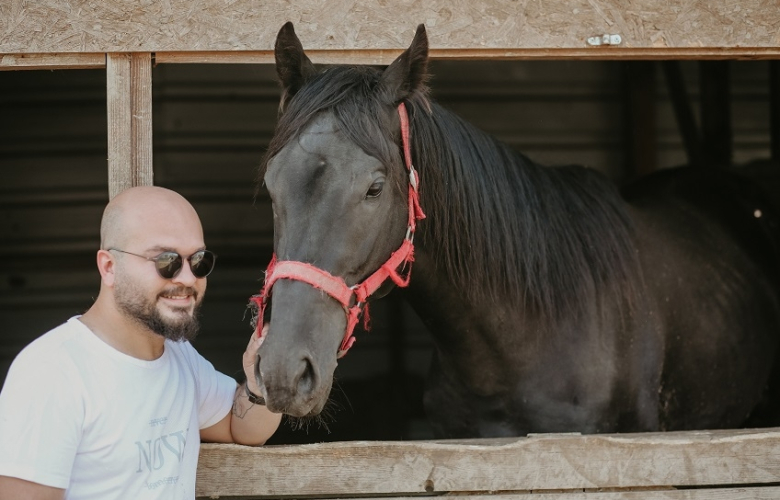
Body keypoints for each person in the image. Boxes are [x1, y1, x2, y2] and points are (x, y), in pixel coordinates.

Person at [0, 186, 281, 500]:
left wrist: (261, 379)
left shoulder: (180, 358)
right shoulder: (51, 372)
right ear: (109, 267)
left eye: (198, 261)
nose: (188, 279)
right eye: (166, 261)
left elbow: (240, 428)